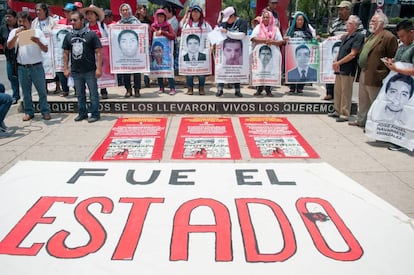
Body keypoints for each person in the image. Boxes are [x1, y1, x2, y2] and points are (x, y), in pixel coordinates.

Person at [349, 12, 398, 128]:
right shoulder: (371, 36)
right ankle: (361, 120)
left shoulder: (388, 37)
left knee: (374, 101)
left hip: (376, 75)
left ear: (381, 23)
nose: (371, 23)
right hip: (364, 72)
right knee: (363, 99)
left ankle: (374, 125)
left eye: (373, 21)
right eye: (371, 21)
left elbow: (392, 57)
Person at [7, 11, 51, 121]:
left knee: (42, 91)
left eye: (24, 22)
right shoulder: (14, 32)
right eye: (19, 21)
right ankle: (29, 111)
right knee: (26, 92)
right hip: (22, 67)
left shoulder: (37, 32)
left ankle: (45, 111)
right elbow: (9, 46)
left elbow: (45, 49)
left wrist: (38, 42)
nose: (21, 24)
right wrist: (16, 36)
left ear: (30, 22)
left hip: (36, 66)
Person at [380, 19, 414, 151]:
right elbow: (400, 60)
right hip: (398, 84)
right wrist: (391, 62)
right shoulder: (402, 46)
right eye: (399, 37)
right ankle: (394, 137)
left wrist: (397, 69)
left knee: (407, 115)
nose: (401, 39)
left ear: (411, 33)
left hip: (409, 88)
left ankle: (403, 141)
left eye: (403, 36)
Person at [62, 11, 102, 123]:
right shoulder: (69, 35)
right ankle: (82, 113)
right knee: (79, 94)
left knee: (93, 94)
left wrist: (99, 68)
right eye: (71, 20)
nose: (72, 22)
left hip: (90, 70)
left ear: (82, 20)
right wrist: (65, 68)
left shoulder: (91, 34)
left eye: (75, 20)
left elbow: (98, 52)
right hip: (76, 71)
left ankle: (95, 113)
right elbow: (65, 53)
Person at [327, 15, 365, 122]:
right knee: (338, 90)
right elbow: (341, 50)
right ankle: (337, 110)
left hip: (348, 68)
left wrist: (339, 62)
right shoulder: (346, 36)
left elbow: (353, 54)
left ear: (355, 25)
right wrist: (335, 60)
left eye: (349, 23)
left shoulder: (358, 36)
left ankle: (344, 113)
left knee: (346, 92)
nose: (347, 25)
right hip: (340, 67)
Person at [250, 10, 285, 97]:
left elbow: (281, 41)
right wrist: (265, 40)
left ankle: (269, 90)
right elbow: (253, 38)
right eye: (264, 17)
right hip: (260, 55)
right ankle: (259, 90)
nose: (265, 19)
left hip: (271, 56)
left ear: (271, 18)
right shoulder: (258, 27)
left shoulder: (275, 29)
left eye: (267, 17)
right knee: (260, 70)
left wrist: (272, 42)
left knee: (270, 71)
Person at [216, 6, 248, 97]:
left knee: (236, 70)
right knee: (222, 69)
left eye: (228, 18)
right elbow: (217, 32)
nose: (226, 21)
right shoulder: (224, 23)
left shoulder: (242, 22)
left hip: (238, 51)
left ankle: (237, 90)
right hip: (225, 51)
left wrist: (227, 33)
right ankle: (220, 89)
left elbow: (242, 35)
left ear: (233, 16)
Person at [324, 0, 352, 101]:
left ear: (348, 10)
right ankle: (329, 92)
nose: (340, 12)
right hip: (334, 50)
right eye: (339, 9)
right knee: (330, 70)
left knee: (342, 76)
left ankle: (340, 97)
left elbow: (359, 35)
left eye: (342, 9)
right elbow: (330, 34)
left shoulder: (354, 22)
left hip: (347, 52)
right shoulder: (335, 22)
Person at [181, 5, 212, 96]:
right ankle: (190, 88)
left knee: (201, 72)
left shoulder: (205, 24)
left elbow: (211, 36)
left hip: (202, 52)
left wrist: (211, 46)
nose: (195, 13)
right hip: (188, 52)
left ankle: (201, 88)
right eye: (193, 12)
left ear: (200, 13)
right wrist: (186, 13)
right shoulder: (186, 24)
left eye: (197, 12)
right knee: (189, 71)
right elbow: (180, 27)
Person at [285, 11, 317, 94]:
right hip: (293, 54)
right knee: (293, 69)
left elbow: (313, 40)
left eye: (301, 20)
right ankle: (292, 87)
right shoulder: (291, 30)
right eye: (298, 20)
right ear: (295, 21)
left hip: (304, 55)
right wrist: (286, 38)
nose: (300, 21)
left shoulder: (308, 31)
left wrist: (316, 38)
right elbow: (284, 37)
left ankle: (300, 87)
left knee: (303, 69)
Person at [82, 4, 109, 99]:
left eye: (91, 14)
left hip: (101, 53)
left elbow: (108, 37)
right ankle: (93, 92)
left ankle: (104, 90)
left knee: (102, 70)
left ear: (96, 15)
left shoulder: (102, 25)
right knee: (91, 73)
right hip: (89, 55)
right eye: (88, 14)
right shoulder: (84, 27)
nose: (89, 16)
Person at [150, 8, 176, 95]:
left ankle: (172, 88)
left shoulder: (168, 25)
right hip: (155, 52)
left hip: (166, 53)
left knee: (168, 70)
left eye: (162, 17)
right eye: (159, 17)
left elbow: (173, 36)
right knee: (158, 70)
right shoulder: (153, 26)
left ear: (165, 17)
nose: (160, 18)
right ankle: (161, 87)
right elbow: (150, 38)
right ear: (156, 17)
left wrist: (163, 32)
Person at [118, 3, 142, 98]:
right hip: (124, 52)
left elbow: (141, 34)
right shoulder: (119, 24)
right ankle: (128, 90)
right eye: (123, 10)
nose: (125, 12)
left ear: (130, 10)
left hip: (135, 51)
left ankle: (137, 90)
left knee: (137, 71)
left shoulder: (136, 22)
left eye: (126, 9)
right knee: (126, 72)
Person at [0, 9, 20, 105]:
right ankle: (16, 96)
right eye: (6, 16)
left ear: (15, 18)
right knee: (11, 77)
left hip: (20, 57)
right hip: (9, 58)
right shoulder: (3, 28)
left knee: (23, 78)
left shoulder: (20, 28)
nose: (7, 18)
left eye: (10, 17)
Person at [135, 4, 152, 88]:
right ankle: (137, 81)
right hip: (136, 45)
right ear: (138, 11)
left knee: (146, 61)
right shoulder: (135, 21)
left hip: (146, 44)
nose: (144, 11)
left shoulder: (149, 21)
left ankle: (146, 78)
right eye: (142, 9)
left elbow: (151, 32)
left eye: (145, 10)